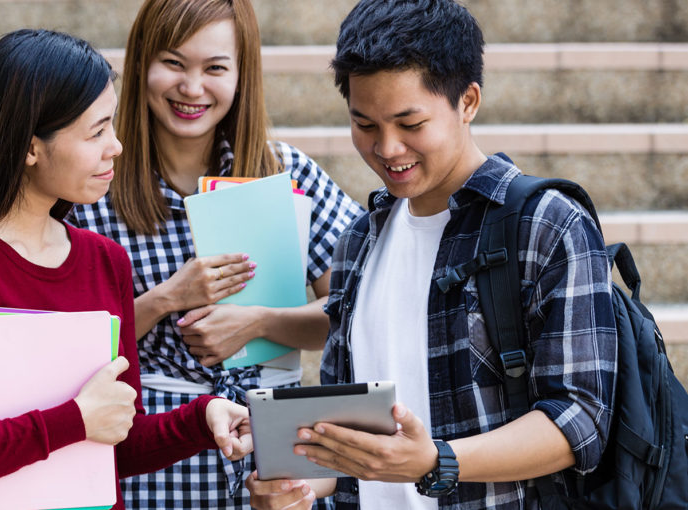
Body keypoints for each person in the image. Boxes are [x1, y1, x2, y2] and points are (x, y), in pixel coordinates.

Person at [246, 0, 618, 509]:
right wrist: (298, 488)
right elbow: (347, 446)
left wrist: (435, 459)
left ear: (467, 101)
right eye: (365, 125)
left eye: (410, 123)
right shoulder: (359, 240)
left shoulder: (545, 224)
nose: (387, 148)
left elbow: (580, 420)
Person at [0, 28, 253, 510]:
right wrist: (73, 420)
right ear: (30, 147)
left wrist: (203, 417)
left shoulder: (105, 260)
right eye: (96, 132)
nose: (115, 147)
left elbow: (119, 440)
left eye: (112, 126)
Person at [69, 0, 363, 507]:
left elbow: (353, 310)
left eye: (216, 68)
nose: (192, 87)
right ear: (141, 64)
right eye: (175, 63)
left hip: (268, 457)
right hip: (147, 456)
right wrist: (164, 299)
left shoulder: (285, 173)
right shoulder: (93, 184)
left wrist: (260, 322)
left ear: (242, 73)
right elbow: (63, 350)